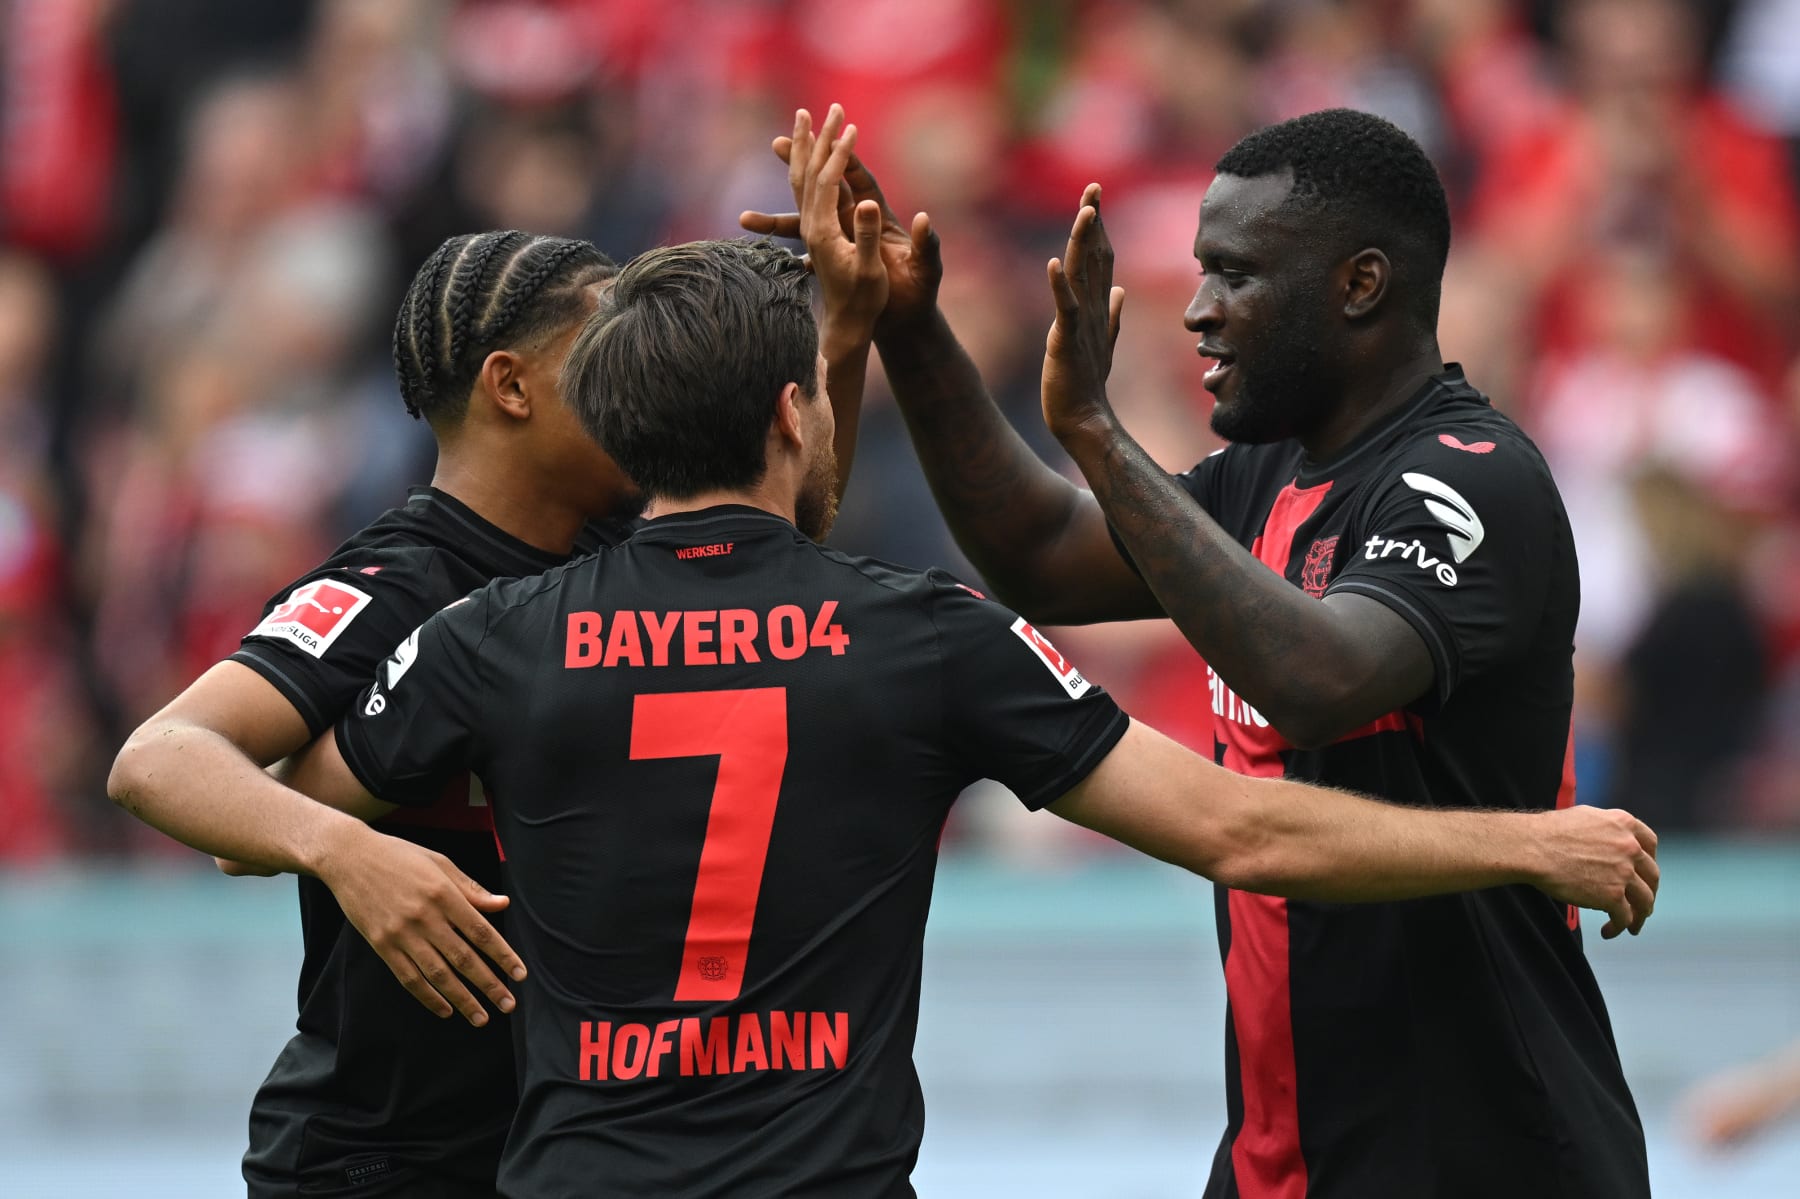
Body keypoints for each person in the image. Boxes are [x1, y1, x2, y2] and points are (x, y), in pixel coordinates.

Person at [253, 235, 1654, 1198]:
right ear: (797, 417)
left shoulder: (489, 637)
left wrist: (347, 852)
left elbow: (254, 796)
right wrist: (1524, 843)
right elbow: (1240, 825)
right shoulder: (926, 637)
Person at [745, 108, 1652, 1197]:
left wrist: (1096, 430)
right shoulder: (1268, 473)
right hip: (1285, 1155)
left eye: (1235, 274)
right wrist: (908, 320)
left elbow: (1319, 680)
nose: (1202, 312)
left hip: (1480, 1150)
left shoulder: (1469, 479)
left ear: (1360, 285)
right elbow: (1042, 552)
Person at [106, 108, 885, 1199]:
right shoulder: (392, 582)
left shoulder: (634, 549)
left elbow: (791, 515)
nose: (644, 374)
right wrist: (347, 852)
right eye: (608, 351)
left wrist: (843, 326)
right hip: (380, 1157)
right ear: (513, 388)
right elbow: (159, 757)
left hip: (568, 1152)